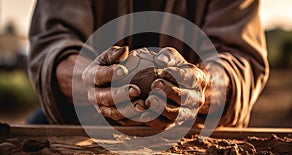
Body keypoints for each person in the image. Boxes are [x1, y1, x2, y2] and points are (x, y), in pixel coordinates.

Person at [28, 0, 269, 129]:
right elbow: (53, 43)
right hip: (86, 122)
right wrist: (90, 78)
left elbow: (240, 59)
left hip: (195, 127)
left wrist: (199, 87)